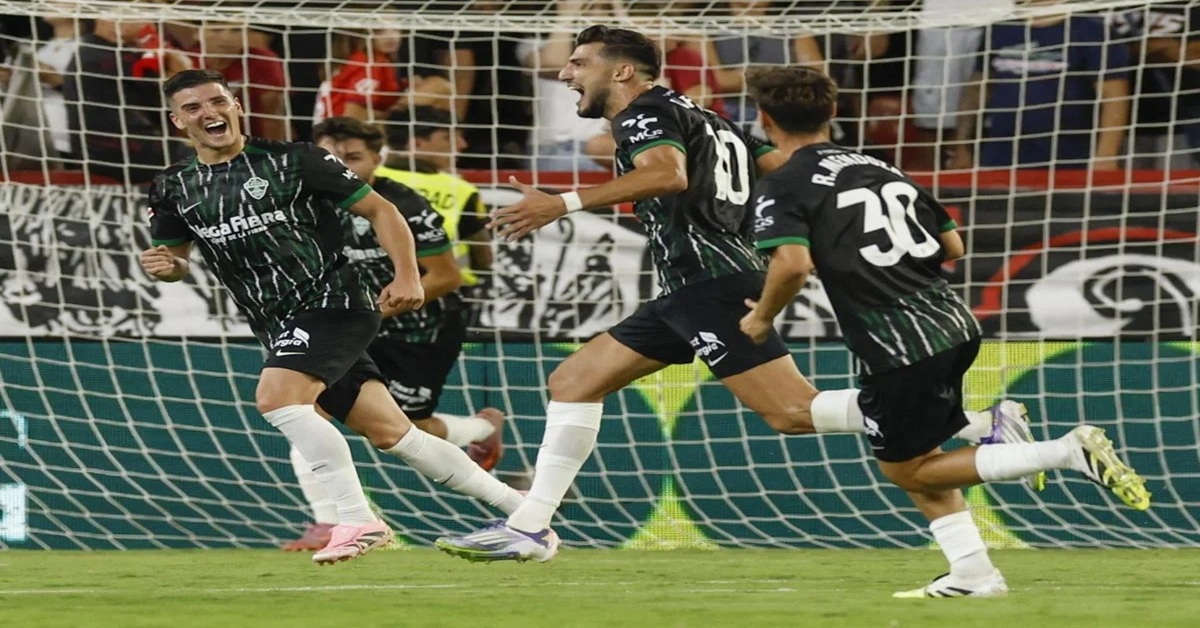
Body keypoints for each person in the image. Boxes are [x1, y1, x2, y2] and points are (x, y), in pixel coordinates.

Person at [433, 26, 1039, 564]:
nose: (566, 73)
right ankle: (530, 527)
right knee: (573, 380)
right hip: (692, 288)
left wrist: (561, 203)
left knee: (791, 413)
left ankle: (976, 423)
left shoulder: (643, 113)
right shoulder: (707, 117)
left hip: (712, 284)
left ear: (622, 72)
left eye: (579, 62)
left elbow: (667, 174)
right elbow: (782, 165)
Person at [739, 66, 1150, 597]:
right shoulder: (878, 167)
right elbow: (952, 246)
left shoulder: (783, 182)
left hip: (897, 340)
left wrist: (761, 316)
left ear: (764, 119)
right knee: (919, 451)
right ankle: (973, 572)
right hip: (952, 321)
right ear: (833, 112)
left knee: (908, 471)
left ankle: (1064, 451)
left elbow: (792, 265)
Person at [140, 69, 527, 565]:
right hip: (276, 322)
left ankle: (357, 520)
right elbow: (175, 261)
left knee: (277, 397)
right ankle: (525, 513)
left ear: (236, 105)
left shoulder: (295, 160)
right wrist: (167, 267)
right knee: (395, 434)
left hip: (333, 301)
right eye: (193, 107)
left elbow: (383, 211)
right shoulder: (173, 187)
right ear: (177, 122)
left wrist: (408, 275)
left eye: (217, 101)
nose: (209, 113)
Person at [276, 116, 507, 551]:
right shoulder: (304, 201)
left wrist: (370, 311)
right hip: (352, 328)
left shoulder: (404, 203)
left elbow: (446, 275)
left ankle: (481, 430)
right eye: (331, 156)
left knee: (405, 428)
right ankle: (327, 522)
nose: (341, 166)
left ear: (378, 160)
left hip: (421, 331)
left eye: (353, 158)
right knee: (306, 409)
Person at [64, 18, 192, 184]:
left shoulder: (90, 51)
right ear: (109, 19)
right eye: (139, 16)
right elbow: (172, 105)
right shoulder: (115, 59)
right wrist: (183, 73)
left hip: (100, 153)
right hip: (129, 153)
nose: (149, 24)